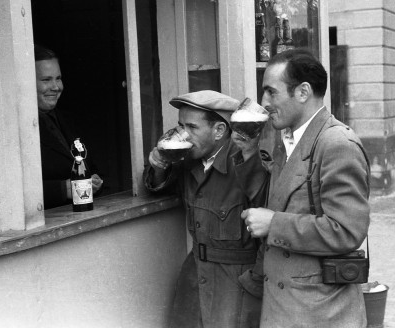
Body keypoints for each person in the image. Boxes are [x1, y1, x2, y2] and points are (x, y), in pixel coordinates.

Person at [242, 49, 371, 327]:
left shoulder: (336, 144)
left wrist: (274, 224)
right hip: (285, 309)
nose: (264, 103)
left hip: (321, 314)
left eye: (271, 92)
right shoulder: (286, 141)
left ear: (302, 92)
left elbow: (347, 232)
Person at [143, 90, 269, 328]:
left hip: (236, 284)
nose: (184, 135)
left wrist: (255, 282)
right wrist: (159, 162)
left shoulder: (247, 161)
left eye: (192, 127)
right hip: (194, 277)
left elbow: (270, 225)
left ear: (219, 131)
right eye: (181, 125)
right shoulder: (187, 158)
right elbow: (156, 187)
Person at [35, 45, 103, 209]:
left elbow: (90, 167)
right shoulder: (13, 128)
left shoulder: (68, 119)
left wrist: (94, 180)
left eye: (58, 78)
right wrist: (61, 190)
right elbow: (8, 190)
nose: (56, 87)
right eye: (46, 80)